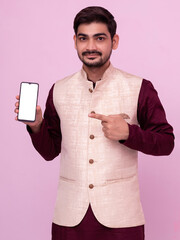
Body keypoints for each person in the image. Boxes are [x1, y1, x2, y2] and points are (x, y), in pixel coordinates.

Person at [15, 6, 174, 240]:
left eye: (100, 38)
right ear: (75, 42)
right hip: (69, 219)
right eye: (83, 38)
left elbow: (166, 142)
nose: (91, 47)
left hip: (122, 219)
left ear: (114, 41)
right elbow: (50, 152)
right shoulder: (59, 90)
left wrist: (129, 133)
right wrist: (37, 126)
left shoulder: (140, 88)